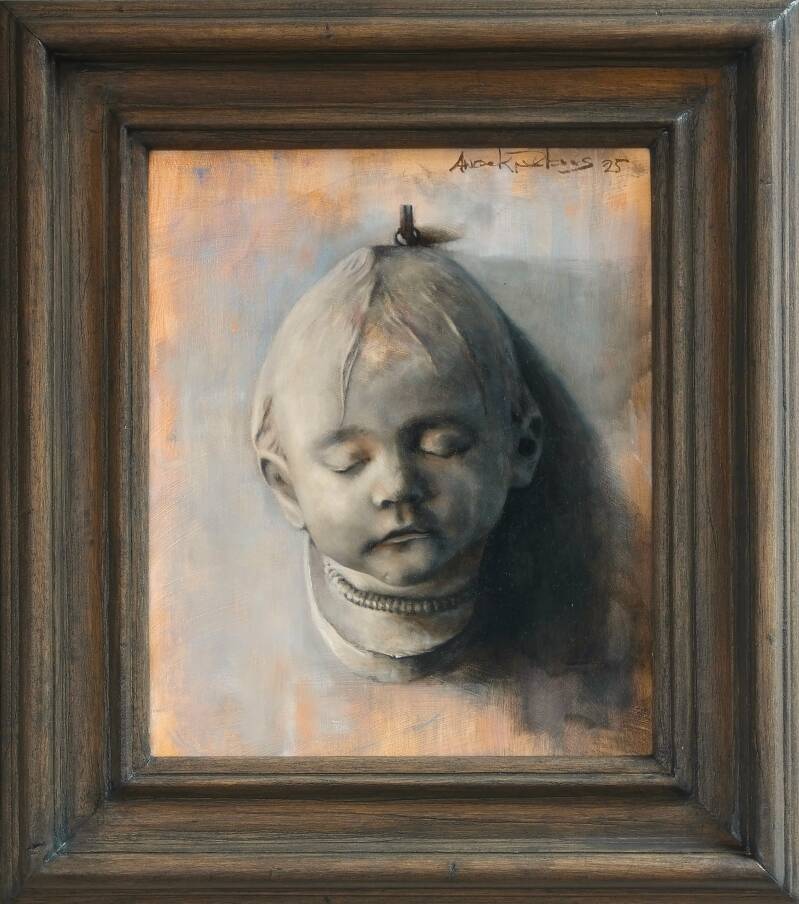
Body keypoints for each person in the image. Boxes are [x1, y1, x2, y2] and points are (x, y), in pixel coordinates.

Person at [251, 242, 647, 711]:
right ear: (286, 487)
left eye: (441, 446)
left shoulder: (600, 631)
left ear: (521, 447)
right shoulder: (255, 660)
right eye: (349, 461)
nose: (398, 486)